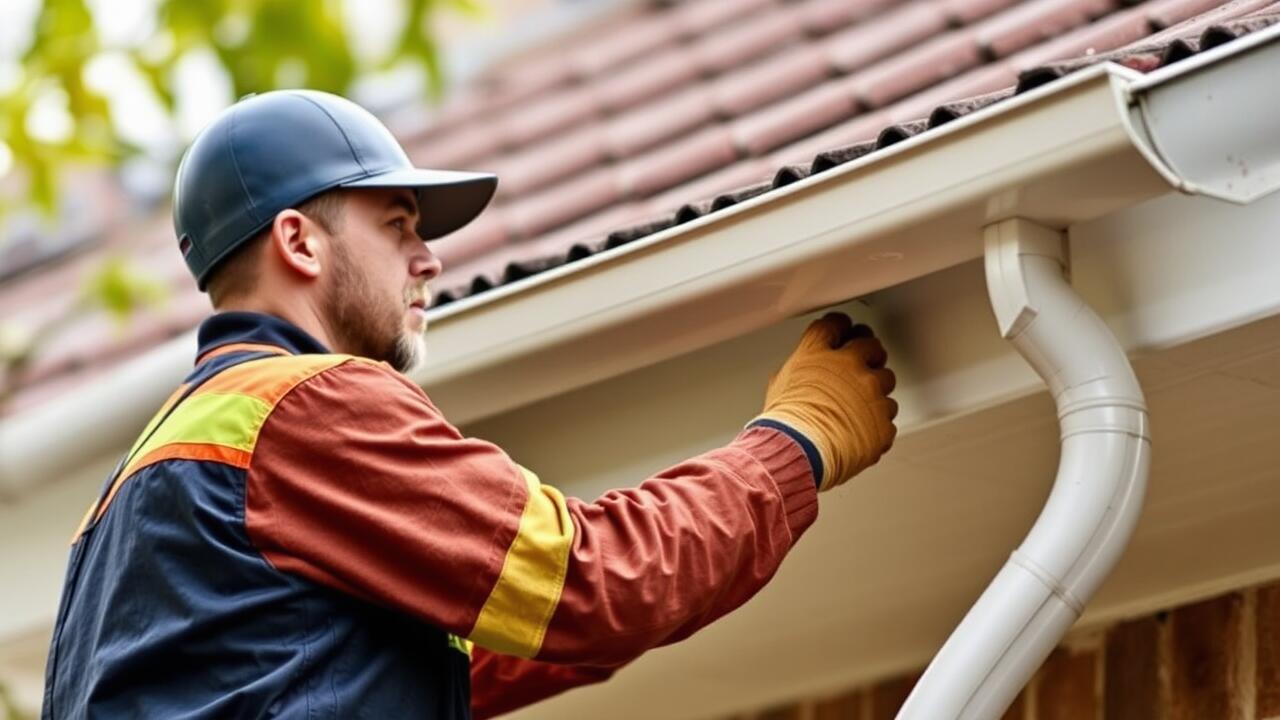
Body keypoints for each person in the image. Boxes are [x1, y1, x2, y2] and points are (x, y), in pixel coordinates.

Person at [42, 90, 898, 719]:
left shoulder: (121, 504)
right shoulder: (307, 407)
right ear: (298, 241)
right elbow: (594, 581)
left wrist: (587, 624)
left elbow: (412, 659)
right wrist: (796, 443)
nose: (430, 259)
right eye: (398, 224)